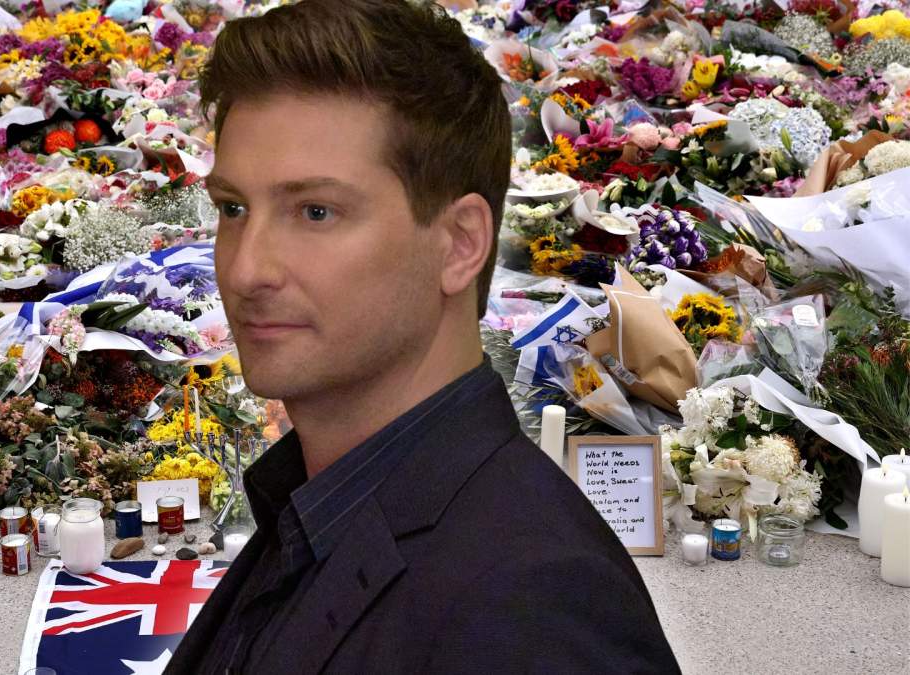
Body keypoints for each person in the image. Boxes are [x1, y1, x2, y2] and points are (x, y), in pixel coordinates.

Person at [165, 0, 680, 672]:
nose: (245, 269)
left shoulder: (529, 608)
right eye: (233, 208)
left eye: (316, 212)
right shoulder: (327, 503)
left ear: (459, 244)